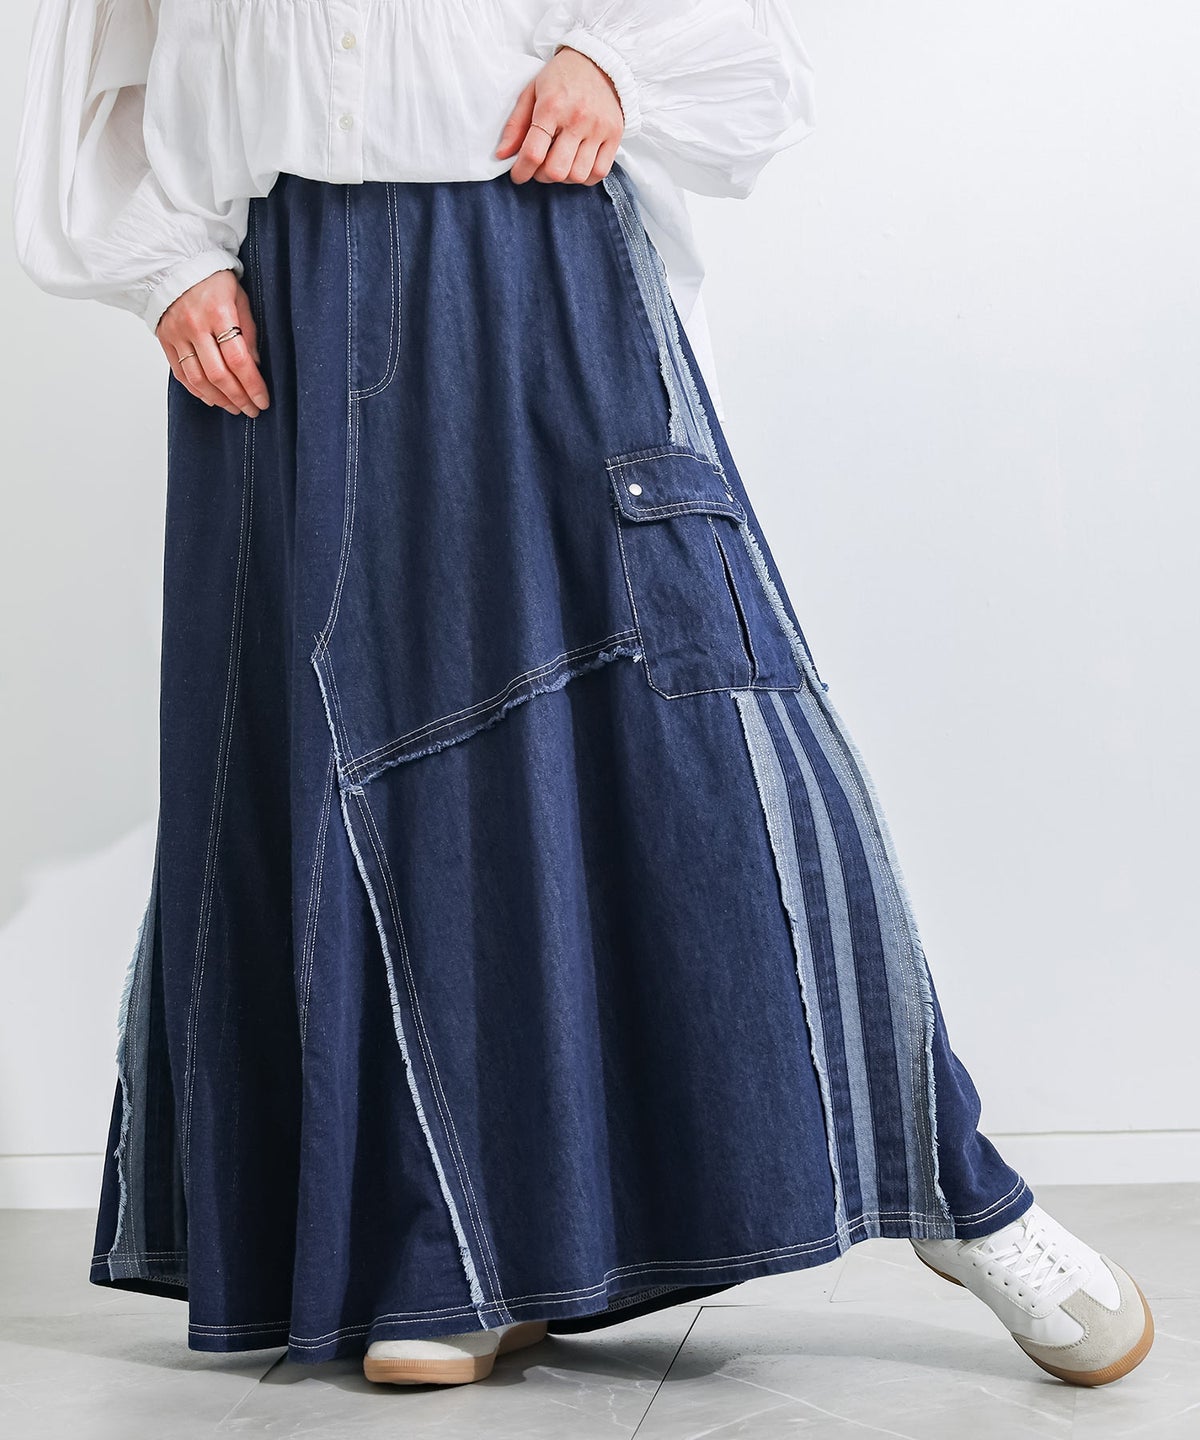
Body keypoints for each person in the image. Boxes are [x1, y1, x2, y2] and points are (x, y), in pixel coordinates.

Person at [12, 0, 1153, 1393]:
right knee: (361, 790)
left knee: (705, 742)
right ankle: (461, 1253)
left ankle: (953, 1186)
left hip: (535, 250)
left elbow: (739, 42)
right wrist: (165, 265)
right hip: (282, 292)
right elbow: (108, 53)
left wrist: (617, 58)